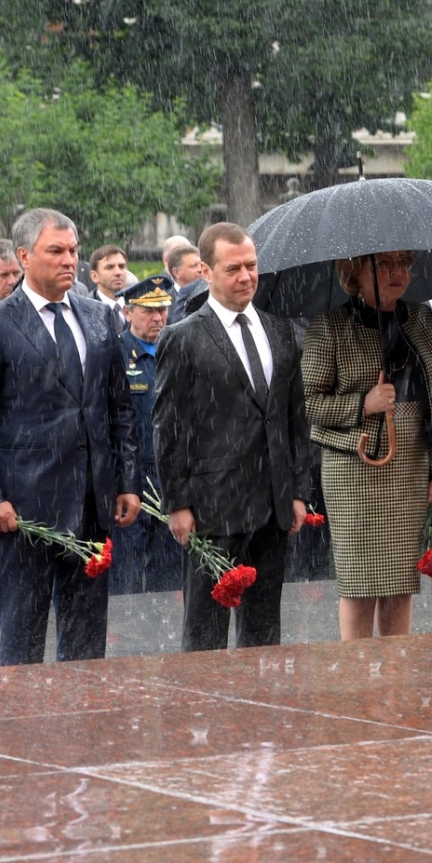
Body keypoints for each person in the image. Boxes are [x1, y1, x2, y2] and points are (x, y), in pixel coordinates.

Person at [0, 208, 139, 664]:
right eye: (55, 251)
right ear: (23, 256)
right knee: (22, 639)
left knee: (85, 641)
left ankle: (81, 729)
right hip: (24, 508)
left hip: (92, 504)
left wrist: (127, 480)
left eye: (73, 250)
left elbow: (119, 408)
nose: (68, 260)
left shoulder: (100, 317)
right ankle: (22, 731)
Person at [155, 226, 309, 649]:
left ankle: (259, 712)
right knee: (205, 632)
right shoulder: (182, 337)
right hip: (211, 509)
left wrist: (298, 491)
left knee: (264, 631)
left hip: (272, 506)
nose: (246, 276)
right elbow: (169, 428)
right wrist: (178, 504)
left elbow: (295, 418)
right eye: (233, 268)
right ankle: (203, 713)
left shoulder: (281, 331)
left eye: (252, 266)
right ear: (205, 271)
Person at [302, 249, 432, 639]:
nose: (399, 272)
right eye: (384, 264)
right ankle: (358, 676)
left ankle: (397, 673)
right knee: (360, 582)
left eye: (405, 263)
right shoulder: (330, 325)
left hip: (411, 463)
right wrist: (362, 404)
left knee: (402, 583)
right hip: (355, 468)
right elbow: (307, 402)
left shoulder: (421, 318)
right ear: (355, 271)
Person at [115, 274, 184, 595]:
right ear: (128, 313)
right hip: (130, 478)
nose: (158, 318)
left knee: (169, 572)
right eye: (148, 311)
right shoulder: (115, 354)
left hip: (170, 476)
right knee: (126, 573)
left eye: (163, 310)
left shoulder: (177, 349)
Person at [88, 244, 132, 310]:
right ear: (94, 276)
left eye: (121, 266)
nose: (118, 272)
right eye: (110, 267)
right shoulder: (84, 310)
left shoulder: (138, 305)